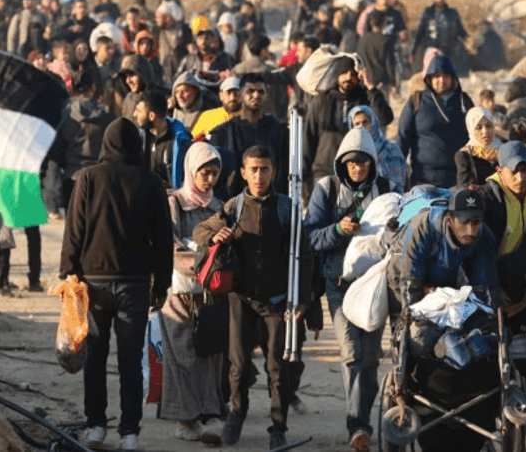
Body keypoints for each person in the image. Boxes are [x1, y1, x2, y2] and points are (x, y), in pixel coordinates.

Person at [60, 118, 173, 452]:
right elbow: (163, 238)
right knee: (130, 361)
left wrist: (69, 272)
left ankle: (95, 426)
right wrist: (162, 284)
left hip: (93, 283)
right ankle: (129, 432)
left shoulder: (88, 177)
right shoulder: (152, 182)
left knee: (95, 357)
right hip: (134, 285)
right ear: (138, 145)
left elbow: (74, 229)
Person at [193, 146, 310, 450]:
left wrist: (304, 301)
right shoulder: (234, 206)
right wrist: (215, 236)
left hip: (277, 302)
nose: (259, 176)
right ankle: (237, 413)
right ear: (243, 173)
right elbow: (200, 231)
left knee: (277, 368)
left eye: (265, 169)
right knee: (238, 365)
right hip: (241, 300)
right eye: (254, 170)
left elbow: (305, 256)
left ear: (274, 172)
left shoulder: (286, 208)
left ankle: (278, 427)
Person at [304, 128, 393, 452]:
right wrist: (338, 230)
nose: (357, 168)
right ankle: (358, 427)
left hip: (373, 283)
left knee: (370, 358)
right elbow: (310, 237)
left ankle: (361, 420)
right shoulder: (326, 189)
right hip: (337, 280)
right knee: (351, 353)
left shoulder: (385, 190)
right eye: (351, 162)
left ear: (372, 163)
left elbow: (404, 221)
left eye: (363, 162)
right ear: (342, 163)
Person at [161, 143, 227, 445]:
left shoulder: (220, 207)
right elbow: (169, 244)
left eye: (214, 173)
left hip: (210, 295)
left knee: (210, 356)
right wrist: (201, 256)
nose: (210, 179)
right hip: (178, 293)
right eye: (205, 172)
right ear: (191, 170)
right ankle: (185, 420)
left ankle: (207, 415)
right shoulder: (173, 202)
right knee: (182, 356)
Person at [387, 188, 503, 317]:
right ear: (450, 220)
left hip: (444, 271)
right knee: (412, 321)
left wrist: (488, 316)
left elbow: (484, 283)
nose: (470, 231)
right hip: (403, 269)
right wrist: (410, 315)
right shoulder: (423, 227)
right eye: (464, 222)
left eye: (475, 222)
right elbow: (410, 279)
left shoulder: (483, 235)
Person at [476, 142, 526, 317]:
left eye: (524, 170)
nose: (520, 178)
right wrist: (493, 290)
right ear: (499, 171)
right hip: (491, 288)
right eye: (513, 171)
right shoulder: (486, 200)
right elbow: (479, 254)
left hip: (521, 286)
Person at [305, 55, 393, 193]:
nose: (348, 77)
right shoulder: (321, 101)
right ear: (337, 75)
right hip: (324, 172)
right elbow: (308, 139)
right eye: (344, 73)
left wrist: (371, 87)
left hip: (356, 173)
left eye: (353, 74)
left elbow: (385, 118)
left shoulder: (366, 98)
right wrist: (305, 177)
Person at [397, 53, 472, 188]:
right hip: (423, 178)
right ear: (429, 78)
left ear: (453, 78)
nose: (441, 80)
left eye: (446, 76)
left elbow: (475, 135)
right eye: (437, 76)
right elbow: (403, 139)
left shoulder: (464, 101)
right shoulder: (416, 101)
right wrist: (397, 172)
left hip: (459, 177)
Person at [207, 73, 287, 197]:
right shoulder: (225, 132)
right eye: (250, 91)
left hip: (272, 199)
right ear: (240, 94)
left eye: (261, 92)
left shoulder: (277, 129)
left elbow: (284, 168)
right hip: (235, 199)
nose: (256, 95)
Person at [55, 74, 114, 208]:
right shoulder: (107, 114)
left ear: (72, 88)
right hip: (100, 178)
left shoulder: (65, 115)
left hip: (72, 177)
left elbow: (58, 150)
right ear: (93, 88)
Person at [134, 88, 193, 189]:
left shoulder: (181, 141)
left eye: (138, 111)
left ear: (152, 116)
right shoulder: (138, 138)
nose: (134, 114)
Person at [348, 104, 406, 194]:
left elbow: (397, 187)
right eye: (357, 124)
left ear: (373, 123)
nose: (361, 127)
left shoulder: (391, 150)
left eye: (365, 122)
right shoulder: (349, 153)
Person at [412, 0, 467, 68]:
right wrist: (413, 51)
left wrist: (468, 40)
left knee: (447, 73)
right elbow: (420, 31)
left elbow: (460, 30)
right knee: (431, 72)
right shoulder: (428, 13)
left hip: (448, 51)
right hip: (432, 50)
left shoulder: (452, 14)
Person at [455, 107, 501, 186]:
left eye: (488, 126)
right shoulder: (465, 155)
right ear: (471, 129)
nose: (485, 131)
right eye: (478, 128)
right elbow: (465, 188)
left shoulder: (504, 149)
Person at [191, 76, 243, 140]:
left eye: (236, 93)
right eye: (228, 93)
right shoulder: (207, 117)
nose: (232, 98)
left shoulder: (249, 117)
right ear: (221, 95)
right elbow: (194, 141)